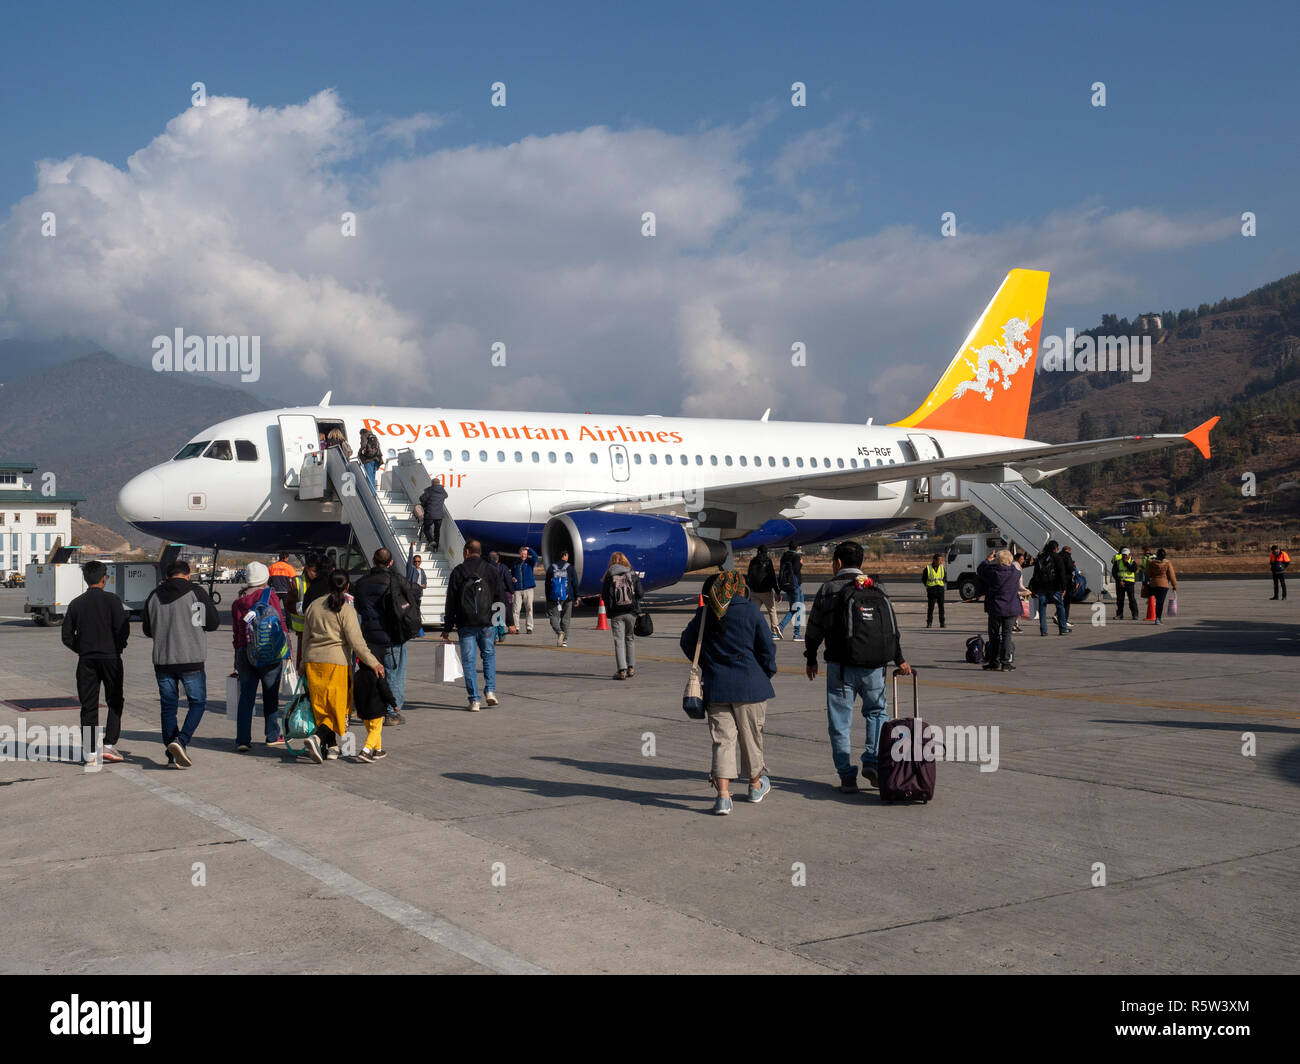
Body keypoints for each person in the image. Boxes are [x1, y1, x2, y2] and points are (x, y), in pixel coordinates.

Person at [803, 540, 912, 793]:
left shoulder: (828, 588)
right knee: (876, 713)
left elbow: (814, 628)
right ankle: (872, 760)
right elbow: (890, 629)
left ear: (837, 563)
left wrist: (811, 657)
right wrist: (899, 658)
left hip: (841, 669)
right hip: (875, 666)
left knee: (840, 722)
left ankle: (847, 776)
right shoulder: (877, 587)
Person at [680, 570, 776, 815]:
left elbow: (687, 642)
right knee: (751, 738)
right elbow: (767, 648)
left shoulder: (705, 613)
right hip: (750, 686)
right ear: (739, 588)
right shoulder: (751, 611)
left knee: (722, 741)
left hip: (717, 686)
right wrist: (766, 672)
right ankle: (755, 786)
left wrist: (708, 664)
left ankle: (723, 796)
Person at [143, 559, 221, 768]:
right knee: (197, 703)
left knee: (168, 707)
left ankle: (171, 756)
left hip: (163, 660)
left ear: (168, 576)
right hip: (191, 658)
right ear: (188, 574)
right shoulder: (196, 592)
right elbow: (212, 623)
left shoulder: (153, 595)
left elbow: (147, 630)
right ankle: (181, 740)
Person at [300, 571, 385, 763]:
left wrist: (303, 662)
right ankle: (317, 737)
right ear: (347, 587)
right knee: (338, 708)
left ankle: (332, 748)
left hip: (314, 662)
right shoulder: (346, 610)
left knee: (321, 707)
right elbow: (357, 642)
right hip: (336, 664)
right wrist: (374, 663)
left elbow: (306, 638)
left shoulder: (313, 606)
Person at [61, 560, 129, 766]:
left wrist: (82, 649)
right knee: (115, 700)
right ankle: (108, 745)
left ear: (85, 579)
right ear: (104, 579)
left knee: (89, 705)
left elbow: (66, 636)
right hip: (110, 658)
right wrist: (117, 647)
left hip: (87, 660)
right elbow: (122, 629)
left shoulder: (76, 603)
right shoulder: (113, 601)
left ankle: (90, 752)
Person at [353, 548, 418, 726]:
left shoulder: (361, 583)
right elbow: (413, 597)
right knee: (394, 675)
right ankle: (392, 713)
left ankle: (370, 710)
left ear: (373, 561)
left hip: (370, 638)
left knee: (372, 675)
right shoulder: (396, 580)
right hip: (393, 636)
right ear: (390, 563)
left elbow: (358, 608)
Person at [443, 540, 509, 711]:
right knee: (488, 656)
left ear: (466, 552)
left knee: (469, 661)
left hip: (466, 624)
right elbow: (500, 597)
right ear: (480, 552)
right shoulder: (491, 570)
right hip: (487, 623)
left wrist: (447, 627)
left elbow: (451, 601)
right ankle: (490, 691)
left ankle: (474, 700)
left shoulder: (458, 572)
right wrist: (503, 624)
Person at [231, 561, 289, 751]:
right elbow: (279, 622)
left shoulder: (238, 603)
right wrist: (287, 649)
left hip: (244, 652)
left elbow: (237, 634)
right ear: (265, 579)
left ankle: (242, 740)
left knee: (246, 697)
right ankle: (272, 735)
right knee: (270, 695)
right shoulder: (269, 595)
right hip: (269, 651)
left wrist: (236, 658)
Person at [976, 549, 1024, 671]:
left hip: (995, 608)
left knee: (994, 636)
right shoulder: (1015, 573)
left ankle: (994, 661)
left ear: (998, 560)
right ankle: (1006, 663)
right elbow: (1016, 569)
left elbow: (980, 570)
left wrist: (988, 559)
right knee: (1007, 635)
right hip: (1011, 608)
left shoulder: (993, 573)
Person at [601, 551, 644, 680]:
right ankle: (631, 667)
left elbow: (604, 596)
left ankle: (622, 670)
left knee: (618, 641)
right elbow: (641, 594)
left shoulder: (609, 576)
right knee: (629, 639)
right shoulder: (632, 574)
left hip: (616, 613)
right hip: (631, 612)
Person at [1029, 540, 1069, 637]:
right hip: (1055, 587)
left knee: (1042, 607)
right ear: (1055, 548)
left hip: (1042, 586)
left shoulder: (1040, 557)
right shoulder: (1057, 557)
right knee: (1060, 606)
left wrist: (1034, 587)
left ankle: (1043, 630)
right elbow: (1061, 574)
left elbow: (1035, 573)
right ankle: (1063, 628)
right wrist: (1064, 587)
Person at [746, 545, 781, 638]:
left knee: (753, 612)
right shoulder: (768, 561)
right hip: (766, 591)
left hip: (755, 592)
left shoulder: (753, 561)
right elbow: (772, 577)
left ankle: (751, 630)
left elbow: (749, 575)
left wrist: (750, 588)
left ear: (758, 551)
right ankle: (774, 631)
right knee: (772, 610)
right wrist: (777, 591)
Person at [545, 549, 577, 647]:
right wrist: (576, 597)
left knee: (553, 616)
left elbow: (547, 584)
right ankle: (564, 641)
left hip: (554, 597)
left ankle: (559, 632)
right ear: (565, 556)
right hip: (568, 597)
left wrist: (548, 597)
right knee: (566, 619)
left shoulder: (551, 567)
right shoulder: (570, 568)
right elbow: (575, 583)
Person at [285, 553, 318, 641]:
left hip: (319, 629)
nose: (317, 574)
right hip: (303, 630)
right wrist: (303, 609)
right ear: (307, 569)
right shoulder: (297, 582)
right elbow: (289, 604)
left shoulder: (322, 581)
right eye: (314, 571)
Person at [777, 544, 804, 640]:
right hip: (795, 586)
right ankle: (794, 632)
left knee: (794, 608)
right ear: (796, 548)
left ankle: (784, 628)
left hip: (787, 586)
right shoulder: (796, 557)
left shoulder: (784, 557)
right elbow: (796, 570)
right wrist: (800, 563)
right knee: (797, 609)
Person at [1144, 548, 1178, 625]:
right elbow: (1171, 575)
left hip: (1153, 584)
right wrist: (1175, 585)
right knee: (1160, 602)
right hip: (1163, 585)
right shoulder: (1167, 563)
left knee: (1155, 600)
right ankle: (1158, 618)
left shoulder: (1151, 563)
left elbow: (1147, 575)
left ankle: (1152, 607)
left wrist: (1146, 584)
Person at [488, 551, 516, 642]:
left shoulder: (486, 567)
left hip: (490, 594)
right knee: (500, 615)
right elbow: (508, 580)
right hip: (503, 593)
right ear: (498, 559)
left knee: (494, 615)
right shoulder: (503, 567)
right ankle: (501, 634)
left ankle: (495, 636)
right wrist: (512, 591)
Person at [511, 546, 537, 634]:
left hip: (528, 589)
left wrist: (529, 549)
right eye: (522, 553)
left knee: (529, 608)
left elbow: (536, 557)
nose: (524, 555)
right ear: (520, 554)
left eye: (525, 554)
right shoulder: (515, 563)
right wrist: (513, 578)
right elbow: (512, 574)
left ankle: (529, 627)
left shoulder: (530, 562)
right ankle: (516, 628)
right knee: (516, 609)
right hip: (517, 590)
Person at [419, 478, 448, 551]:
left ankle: (431, 541)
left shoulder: (429, 490)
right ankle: (436, 548)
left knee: (426, 529)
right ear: (439, 483)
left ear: (432, 483)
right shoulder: (443, 491)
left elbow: (422, 498)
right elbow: (446, 496)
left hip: (430, 514)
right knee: (437, 531)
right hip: (439, 515)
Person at [1112, 547, 1140, 620]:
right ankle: (1119, 615)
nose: (1124, 556)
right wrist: (1119, 581)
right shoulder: (1117, 562)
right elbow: (1114, 572)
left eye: (1126, 555)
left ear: (1129, 555)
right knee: (1120, 600)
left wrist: (1126, 563)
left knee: (1132, 599)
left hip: (1129, 583)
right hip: (1120, 583)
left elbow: (1133, 570)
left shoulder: (1132, 562)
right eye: (1123, 554)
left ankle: (1135, 614)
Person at [922, 553, 946, 628]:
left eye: (941, 560)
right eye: (939, 560)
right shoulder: (928, 568)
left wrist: (941, 584)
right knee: (930, 608)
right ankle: (929, 623)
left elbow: (944, 577)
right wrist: (928, 587)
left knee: (941, 607)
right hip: (931, 590)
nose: (941, 562)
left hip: (940, 589)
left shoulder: (942, 568)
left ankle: (942, 623)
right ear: (934, 560)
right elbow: (924, 579)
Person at [406, 553, 427, 636]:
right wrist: (411, 548)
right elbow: (409, 560)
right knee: (412, 612)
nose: (417, 563)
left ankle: (417, 630)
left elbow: (425, 581)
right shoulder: (411, 569)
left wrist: (424, 585)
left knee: (417, 612)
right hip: (411, 594)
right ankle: (412, 630)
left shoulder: (422, 571)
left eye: (418, 561)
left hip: (418, 594)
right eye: (415, 561)